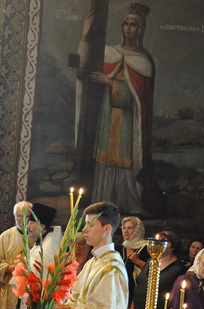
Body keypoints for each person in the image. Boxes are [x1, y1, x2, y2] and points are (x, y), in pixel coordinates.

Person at [79, 5, 155, 216]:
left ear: (140, 30)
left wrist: (110, 83)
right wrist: (85, 36)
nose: (129, 29)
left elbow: (140, 99)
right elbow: (83, 66)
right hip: (107, 114)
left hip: (129, 120)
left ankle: (129, 201)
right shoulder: (109, 52)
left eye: (134, 25)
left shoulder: (143, 62)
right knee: (105, 157)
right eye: (126, 24)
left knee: (124, 161)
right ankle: (102, 202)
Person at [0, 202, 62, 309]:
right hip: (10, 295)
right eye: (18, 216)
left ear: (41, 226)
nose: (25, 223)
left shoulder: (46, 246)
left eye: (28, 218)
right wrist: (9, 268)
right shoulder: (7, 237)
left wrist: (20, 269)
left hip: (29, 299)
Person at [130, 230, 186, 309]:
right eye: (157, 241)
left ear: (173, 246)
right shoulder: (149, 262)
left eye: (163, 241)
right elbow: (140, 286)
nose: (159, 244)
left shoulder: (178, 269)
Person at [120, 216, 149, 308]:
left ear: (138, 230)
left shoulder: (146, 248)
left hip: (137, 292)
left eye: (129, 228)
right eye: (124, 228)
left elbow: (153, 269)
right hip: (120, 289)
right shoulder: (120, 247)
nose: (126, 231)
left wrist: (137, 261)